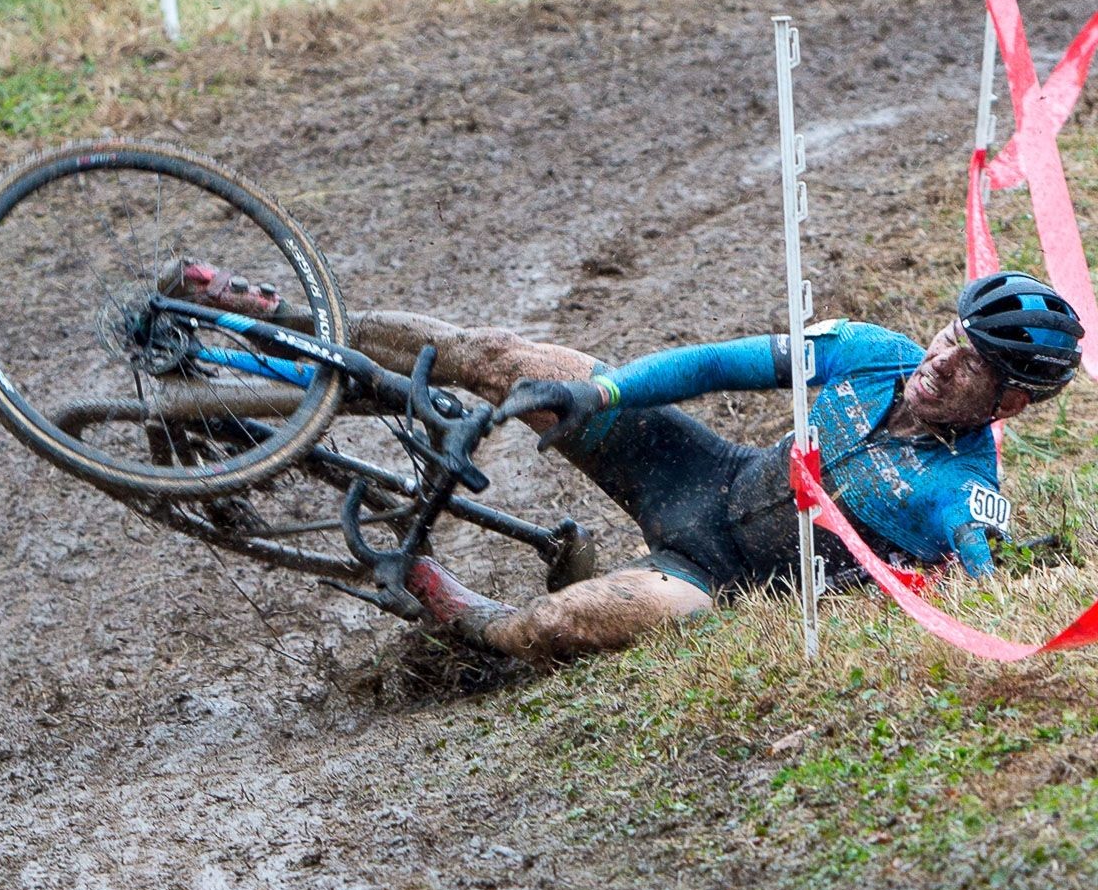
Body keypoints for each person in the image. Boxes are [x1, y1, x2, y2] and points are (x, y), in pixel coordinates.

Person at [171, 264, 1085, 666]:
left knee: (571, 620)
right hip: (704, 474)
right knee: (500, 354)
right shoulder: (872, 350)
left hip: (724, 579)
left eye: (969, 366)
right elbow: (718, 364)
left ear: (1006, 405)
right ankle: (285, 315)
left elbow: (982, 612)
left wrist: (1006, 576)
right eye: (949, 335)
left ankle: (465, 615)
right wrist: (601, 396)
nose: (939, 360)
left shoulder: (964, 494)